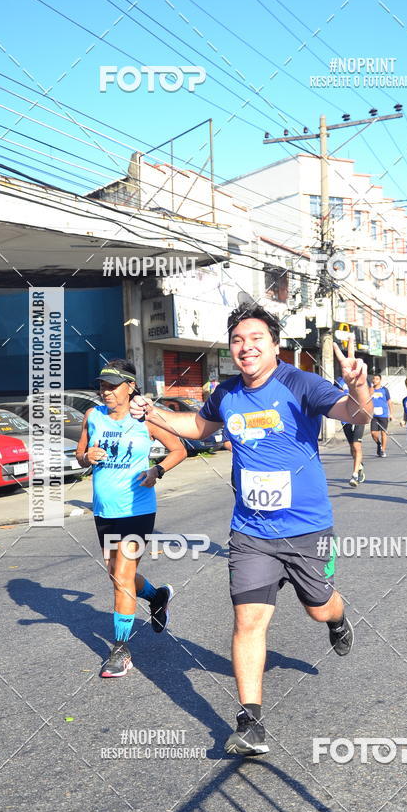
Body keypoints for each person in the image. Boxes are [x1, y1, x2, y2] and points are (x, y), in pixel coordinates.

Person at [130, 303, 371, 757]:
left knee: (318, 609)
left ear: (274, 344)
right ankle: (250, 721)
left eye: (255, 338)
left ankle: (337, 616)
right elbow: (198, 426)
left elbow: (355, 414)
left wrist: (358, 384)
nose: (246, 347)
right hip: (250, 532)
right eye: (238, 340)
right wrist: (154, 414)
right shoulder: (227, 392)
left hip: (305, 528)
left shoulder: (299, 382)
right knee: (248, 621)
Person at [76, 360, 186, 678]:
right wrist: (86, 457)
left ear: (130, 387)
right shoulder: (92, 416)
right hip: (104, 510)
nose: (105, 391)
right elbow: (80, 452)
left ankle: (121, 651)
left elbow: (178, 449)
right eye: (102, 386)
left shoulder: (145, 419)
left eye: (112, 386)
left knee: (123, 575)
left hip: (138, 509)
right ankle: (157, 595)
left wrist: (157, 470)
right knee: (118, 576)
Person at [336, 375, 366, 485]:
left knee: (356, 446)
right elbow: (335, 394)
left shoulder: (361, 380)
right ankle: (359, 465)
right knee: (352, 447)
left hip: (359, 418)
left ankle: (355, 475)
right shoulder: (339, 381)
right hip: (345, 418)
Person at [369, 373, 392, 457]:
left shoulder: (384, 390)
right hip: (374, 415)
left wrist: (391, 414)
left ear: (380, 380)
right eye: (374, 379)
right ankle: (379, 444)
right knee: (373, 433)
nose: (375, 380)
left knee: (383, 433)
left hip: (383, 415)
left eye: (377, 379)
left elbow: (389, 401)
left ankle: (383, 450)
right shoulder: (370, 390)